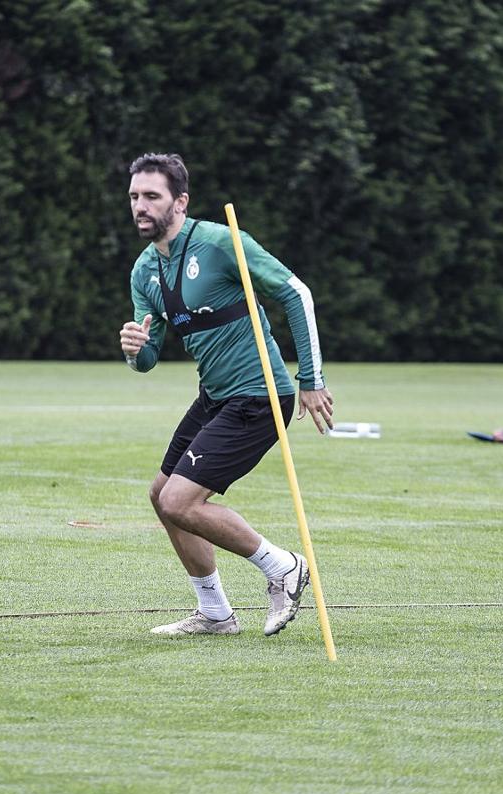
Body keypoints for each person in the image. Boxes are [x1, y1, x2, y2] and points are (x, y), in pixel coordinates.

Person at [118, 152, 334, 637]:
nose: (140, 206)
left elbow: (296, 294)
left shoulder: (218, 241)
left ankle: (282, 567)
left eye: (152, 196)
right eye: (134, 197)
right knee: (161, 496)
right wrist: (134, 350)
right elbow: (149, 356)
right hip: (216, 394)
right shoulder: (144, 270)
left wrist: (311, 380)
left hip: (259, 396)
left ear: (180, 201)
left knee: (178, 501)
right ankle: (215, 614)